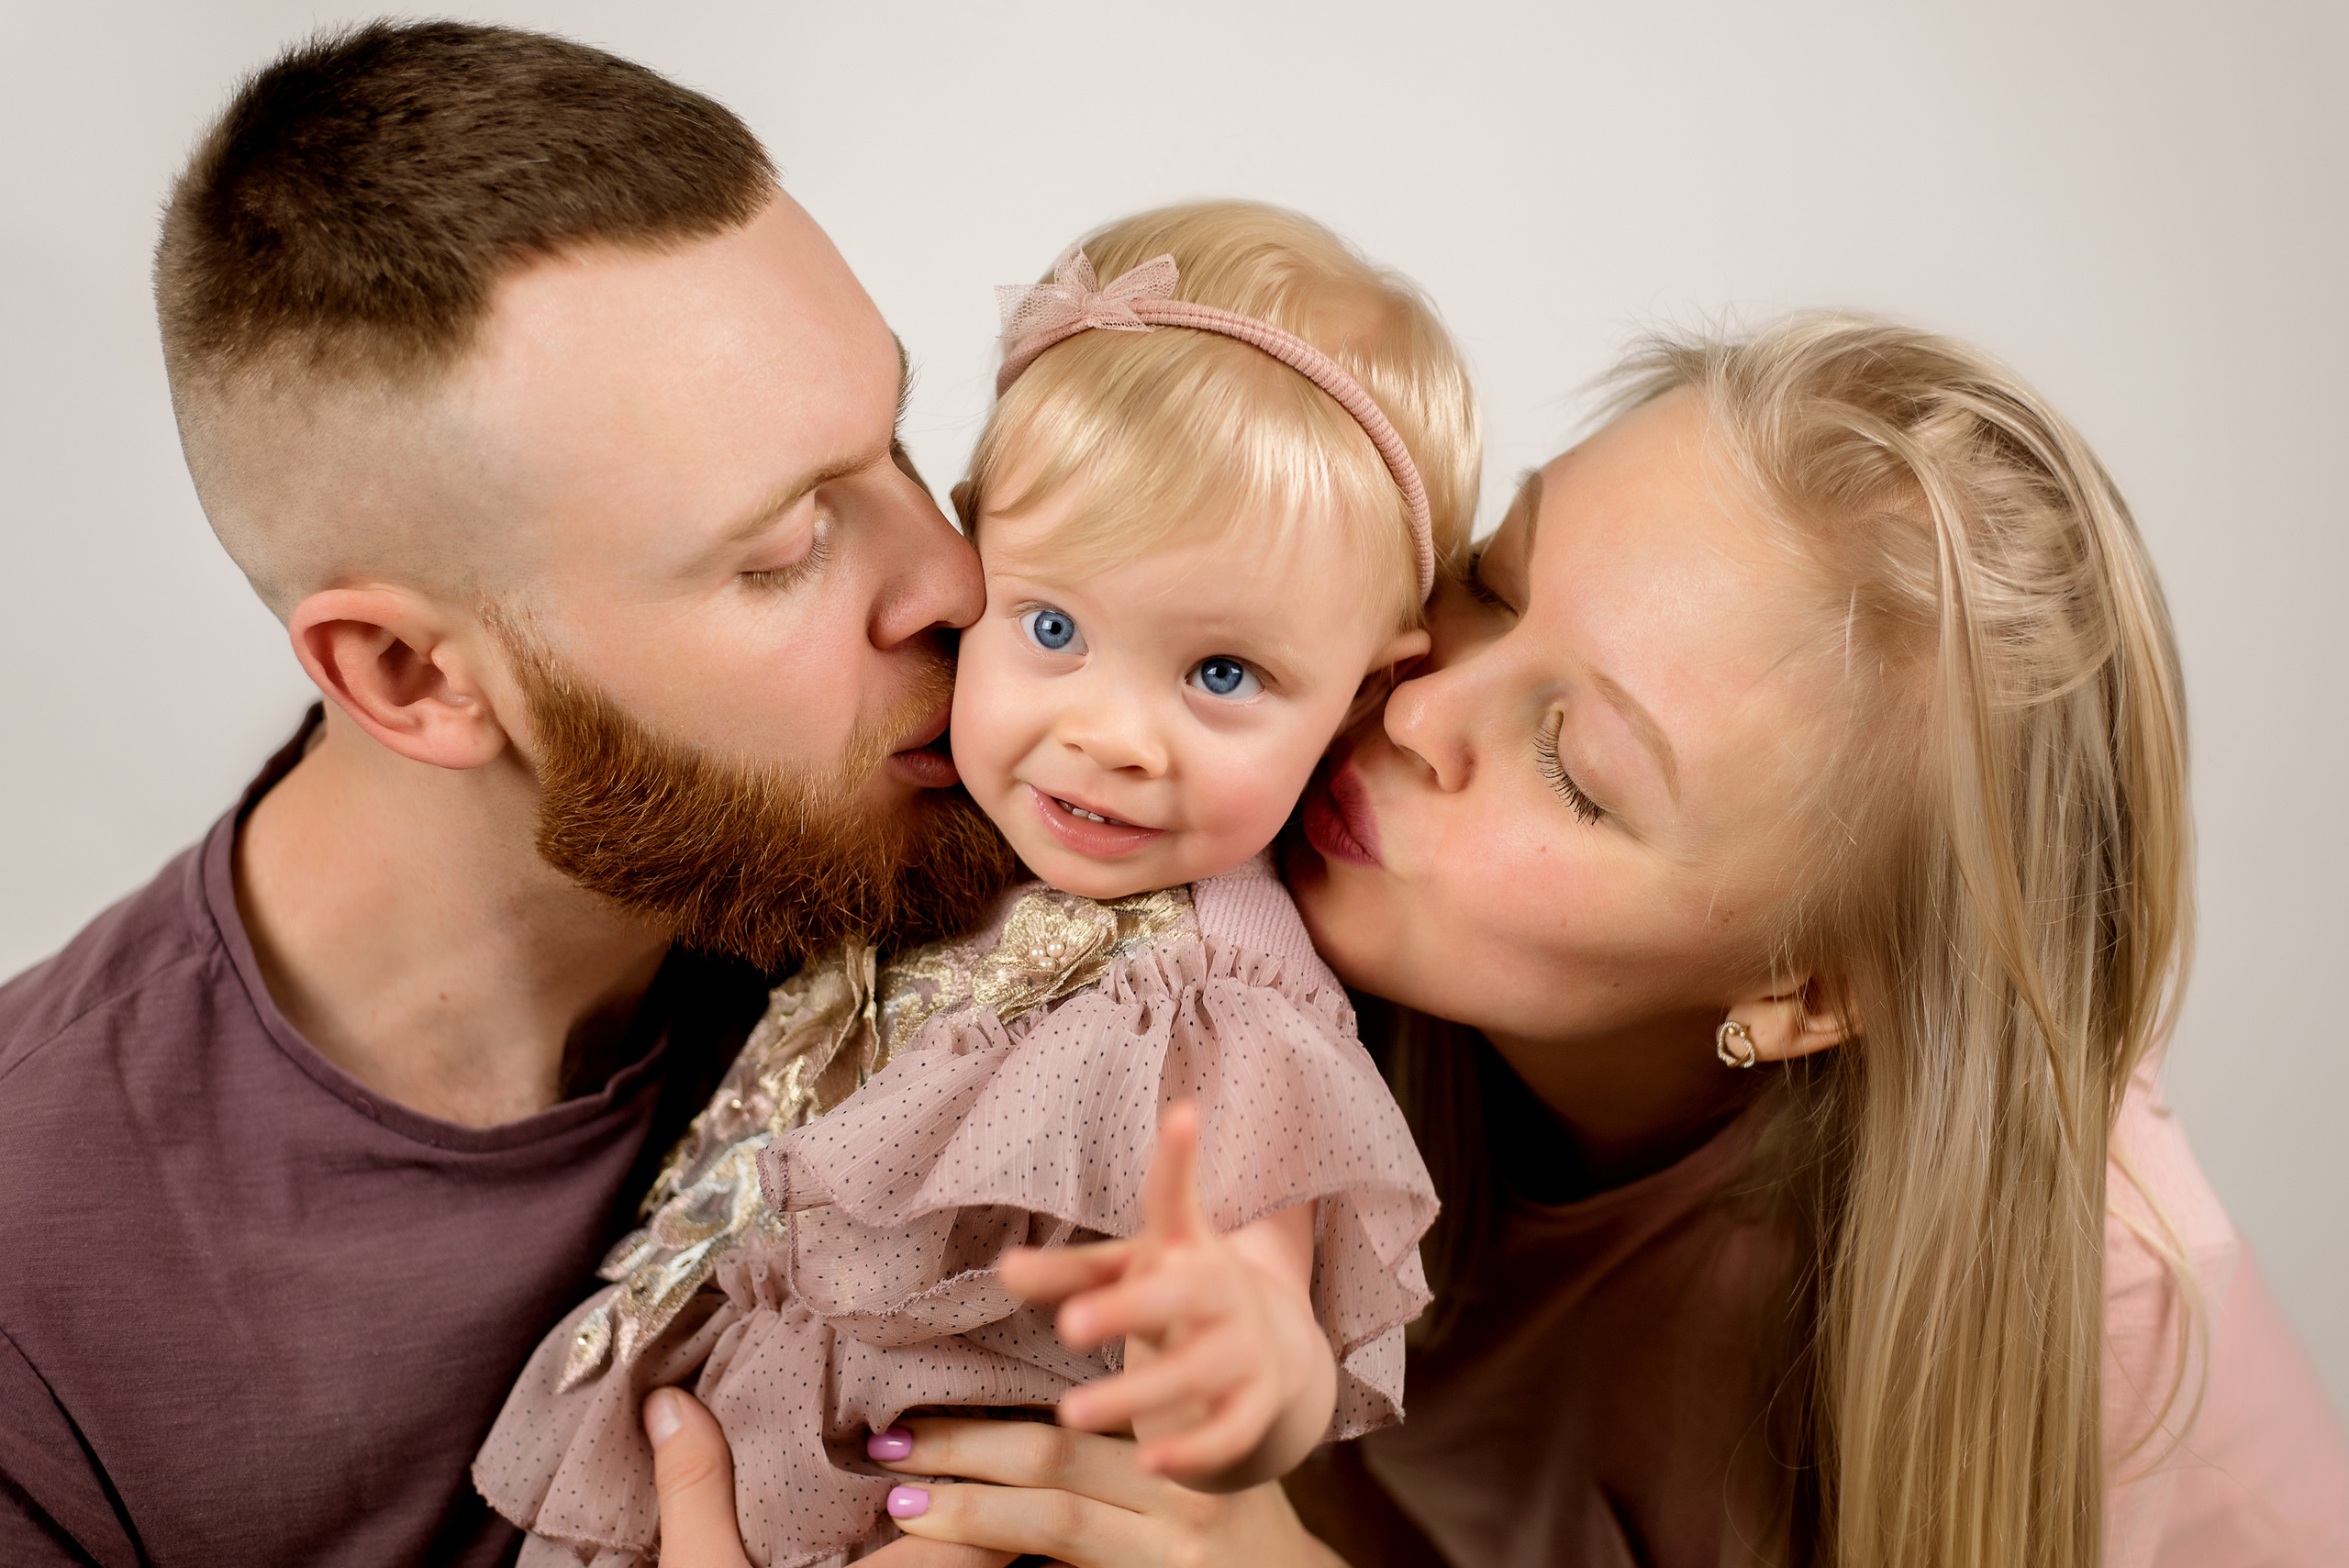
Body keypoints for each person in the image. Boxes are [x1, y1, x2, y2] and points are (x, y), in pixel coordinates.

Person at [648, 316, 2349, 1565]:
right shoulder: (1218, 912)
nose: (1420, 706)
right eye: (1499, 577)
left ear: (1806, 989)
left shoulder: (2119, 1347)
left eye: (1580, 769)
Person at [0, 22, 1013, 1567]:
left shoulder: (1008, 884)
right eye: (782, 548)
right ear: (411, 675)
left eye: (889, 442)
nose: (953, 579)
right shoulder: (34, 1303)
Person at [473, 202, 1475, 1568]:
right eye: (1054, 626)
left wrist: (1244, 1371)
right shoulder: (924, 830)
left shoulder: (1219, 992)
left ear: (1361, 691)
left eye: (1223, 674)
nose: (1112, 735)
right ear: (973, 556)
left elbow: (1254, 1307)